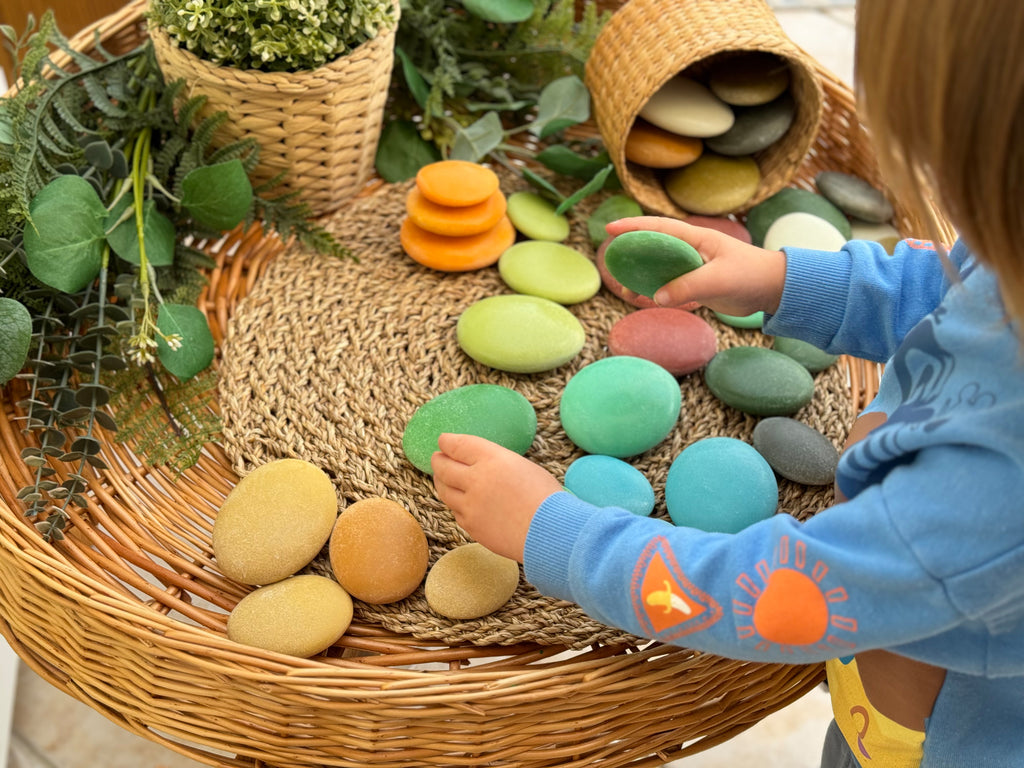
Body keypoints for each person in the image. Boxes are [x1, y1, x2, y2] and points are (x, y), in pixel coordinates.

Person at [431, 1, 1024, 766]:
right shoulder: (1010, 255)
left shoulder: (990, 493)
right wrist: (784, 280)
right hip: (890, 674)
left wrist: (558, 534)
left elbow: (773, 594)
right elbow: (948, 286)